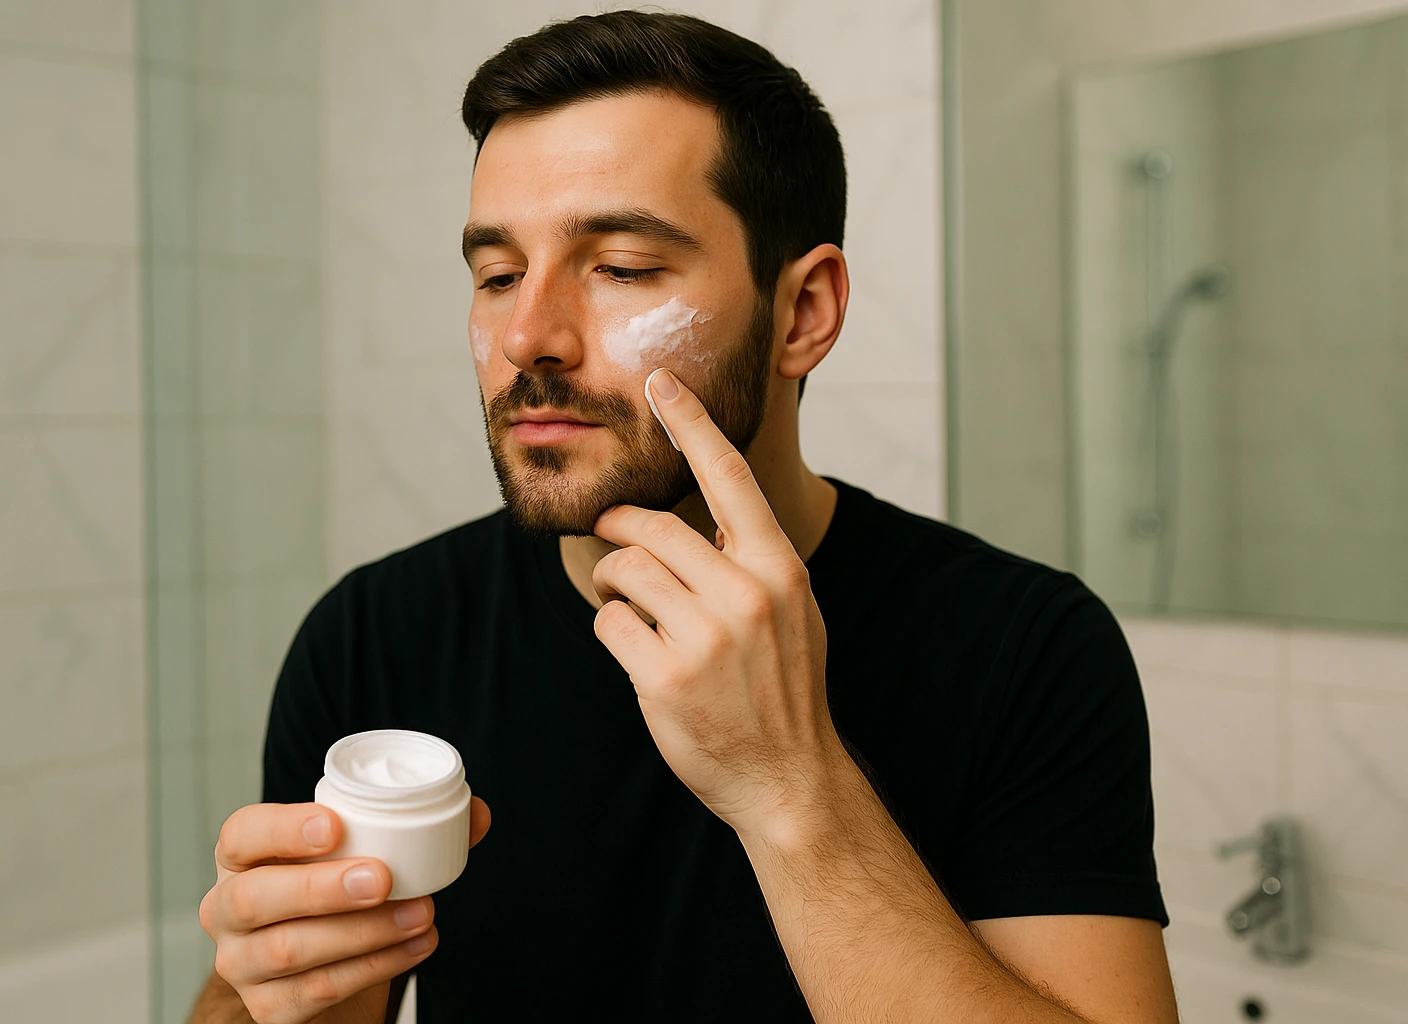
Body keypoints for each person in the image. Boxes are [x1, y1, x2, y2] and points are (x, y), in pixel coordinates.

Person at [191, 11, 1180, 1024]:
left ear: (801, 312)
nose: (528, 335)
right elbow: (277, 1001)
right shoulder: (375, 635)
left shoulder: (1027, 648)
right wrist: (286, 990)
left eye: (619, 266)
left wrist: (794, 791)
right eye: (496, 275)